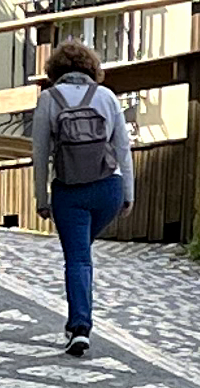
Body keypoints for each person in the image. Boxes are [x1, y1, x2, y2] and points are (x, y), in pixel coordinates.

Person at [30, 40, 133, 359]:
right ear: (91, 69)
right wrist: (128, 193)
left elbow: (40, 153)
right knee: (82, 254)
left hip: (69, 190)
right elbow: (123, 149)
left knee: (77, 258)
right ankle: (78, 321)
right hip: (108, 189)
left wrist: (41, 197)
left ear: (55, 71)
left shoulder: (48, 99)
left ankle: (79, 328)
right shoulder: (107, 97)